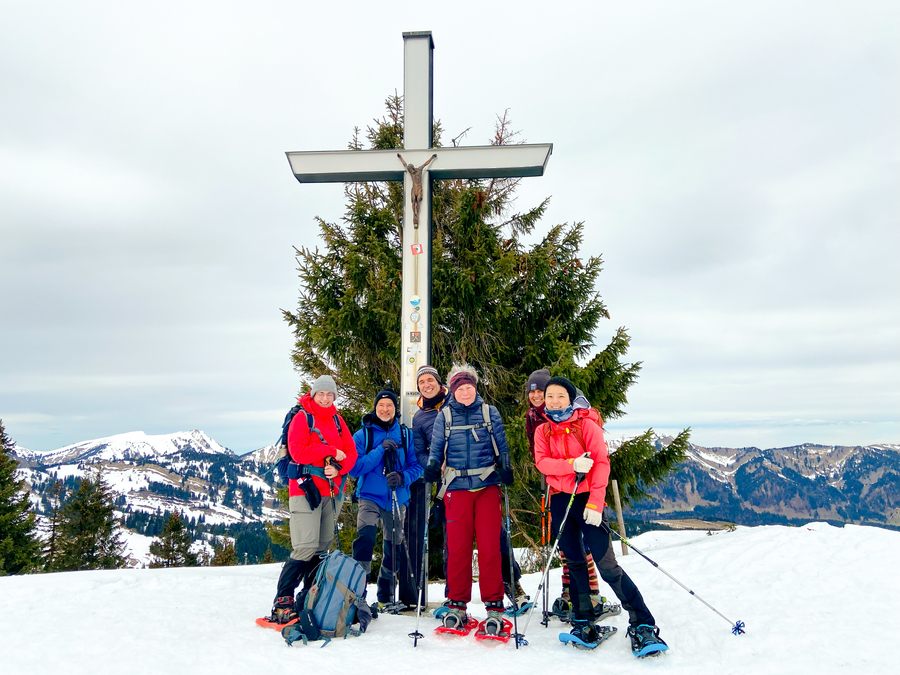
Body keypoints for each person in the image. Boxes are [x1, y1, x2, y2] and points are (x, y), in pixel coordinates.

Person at [534, 376, 666, 653]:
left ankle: (642, 621)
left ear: (570, 398)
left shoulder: (587, 426)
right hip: (561, 501)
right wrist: (572, 464)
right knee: (574, 563)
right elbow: (542, 464)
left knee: (606, 565)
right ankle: (584, 619)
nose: (554, 401)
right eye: (550, 396)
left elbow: (601, 465)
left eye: (560, 396)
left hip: (587, 500)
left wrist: (595, 503)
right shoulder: (542, 431)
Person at [423, 364, 514, 635]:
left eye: (469, 387)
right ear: (453, 390)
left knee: (489, 547)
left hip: (487, 485)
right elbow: (437, 446)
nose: (465, 392)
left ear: (476, 388)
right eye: (460, 388)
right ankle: (458, 604)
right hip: (457, 487)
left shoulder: (489, 412)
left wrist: (506, 468)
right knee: (458, 548)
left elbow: (502, 445)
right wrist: (432, 464)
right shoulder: (445, 415)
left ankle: (494, 604)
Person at [269, 375, 358, 624]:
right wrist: (330, 451)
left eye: (330, 395)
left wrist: (339, 469)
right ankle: (283, 599)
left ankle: (309, 597)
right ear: (313, 394)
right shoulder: (303, 418)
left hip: (332, 491)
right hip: (306, 490)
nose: (326, 398)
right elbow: (298, 451)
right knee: (305, 546)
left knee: (321, 547)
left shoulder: (338, 421)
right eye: (322, 394)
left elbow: (351, 454)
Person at [525, 368, 605, 618]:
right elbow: (539, 454)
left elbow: (595, 453)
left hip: (581, 485)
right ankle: (570, 592)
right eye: (533, 392)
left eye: (542, 391)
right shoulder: (533, 418)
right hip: (557, 485)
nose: (537, 396)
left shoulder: (578, 413)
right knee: (565, 546)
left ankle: (591, 593)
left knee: (583, 546)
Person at [349, 390, 423, 610]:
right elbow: (355, 468)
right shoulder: (363, 436)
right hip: (369, 497)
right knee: (365, 541)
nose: (384, 409)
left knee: (393, 548)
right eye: (381, 405)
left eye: (389, 405)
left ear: (395, 409)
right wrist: (379, 450)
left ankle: (385, 597)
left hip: (396, 498)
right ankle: (358, 595)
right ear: (375, 408)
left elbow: (417, 467)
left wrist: (402, 478)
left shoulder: (406, 435)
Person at [408, 365, 448, 605]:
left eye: (430, 379)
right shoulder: (419, 416)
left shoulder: (455, 400)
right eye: (422, 382)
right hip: (446, 482)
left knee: (494, 536)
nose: (426, 384)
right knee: (451, 540)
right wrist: (432, 465)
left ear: (438, 381)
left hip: (474, 475)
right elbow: (419, 451)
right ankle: (453, 597)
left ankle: (511, 586)